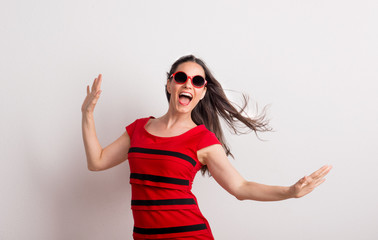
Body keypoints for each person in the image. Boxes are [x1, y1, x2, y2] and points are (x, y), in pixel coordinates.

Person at [81, 55, 332, 240]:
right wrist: (87, 114)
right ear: (169, 85)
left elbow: (240, 187)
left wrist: (290, 191)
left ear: (201, 92)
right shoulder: (138, 129)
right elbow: (97, 161)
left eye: (197, 81)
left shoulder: (203, 140)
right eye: (181, 78)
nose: (188, 84)